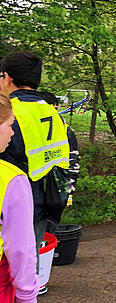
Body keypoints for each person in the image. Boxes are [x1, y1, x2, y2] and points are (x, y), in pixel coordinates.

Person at [0, 52, 70, 287]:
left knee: (8, 272)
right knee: (29, 262)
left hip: (11, 202)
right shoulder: (50, 110)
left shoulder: (12, 110)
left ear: (7, 78)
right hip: (44, 197)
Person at [0, 92, 39, 303]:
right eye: (9, 125)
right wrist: (27, 294)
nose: (12, 134)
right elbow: (20, 248)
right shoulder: (11, 179)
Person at [39, 91, 80, 194]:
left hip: (56, 185)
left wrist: (69, 190)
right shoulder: (31, 127)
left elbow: (73, 159)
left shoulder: (65, 130)